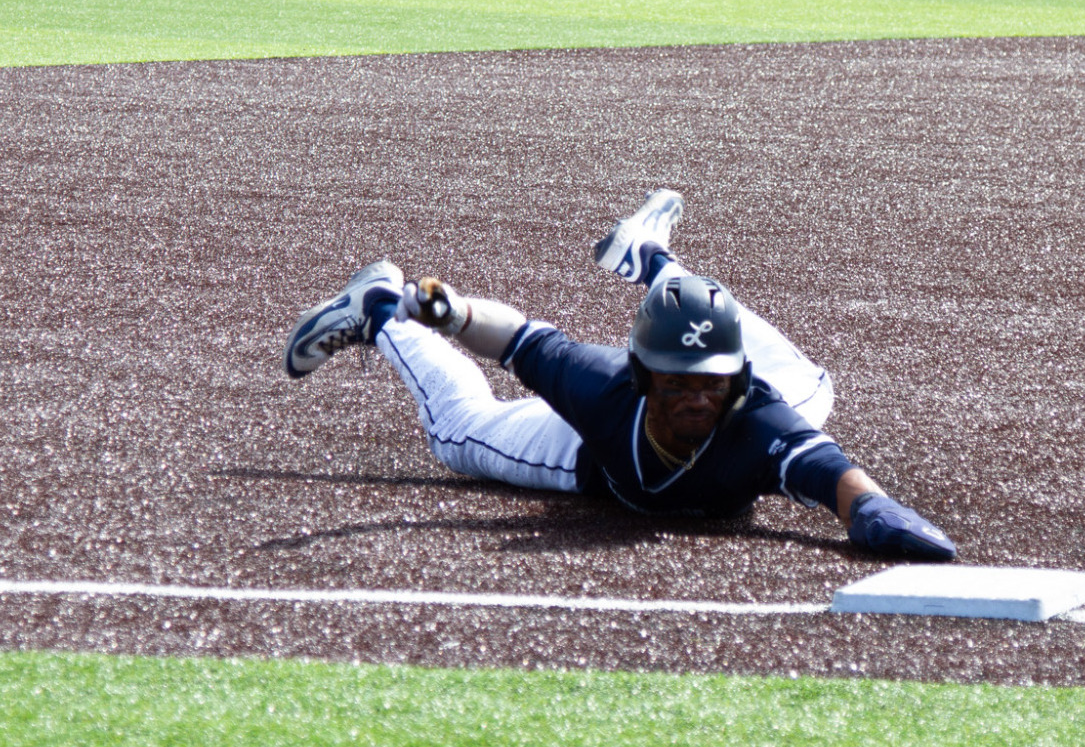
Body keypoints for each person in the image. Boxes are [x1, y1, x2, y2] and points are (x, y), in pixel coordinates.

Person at [283, 190, 956, 560]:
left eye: (711, 382)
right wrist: (450, 313)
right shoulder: (602, 391)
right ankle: (376, 308)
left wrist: (871, 510)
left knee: (812, 391)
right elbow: (520, 338)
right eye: (678, 381)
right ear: (643, 375)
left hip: (750, 405)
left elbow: (839, 478)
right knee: (458, 434)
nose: (697, 396)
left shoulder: (756, 415)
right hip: (593, 456)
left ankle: (650, 256)